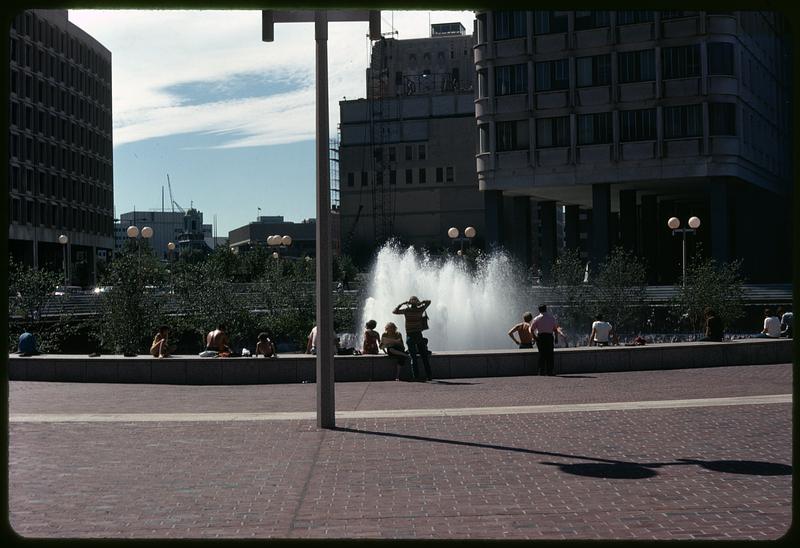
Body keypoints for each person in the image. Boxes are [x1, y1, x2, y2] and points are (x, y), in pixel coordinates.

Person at [393, 296, 433, 382]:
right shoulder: (415, 310)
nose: (414, 302)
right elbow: (394, 311)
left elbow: (429, 301)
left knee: (418, 357)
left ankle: (421, 376)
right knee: (419, 357)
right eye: (413, 300)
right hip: (414, 335)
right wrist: (418, 303)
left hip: (414, 335)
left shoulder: (413, 310)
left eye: (415, 300)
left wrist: (404, 304)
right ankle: (423, 376)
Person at [531, 304, 559, 376]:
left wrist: (534, 337)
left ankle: (541, 371)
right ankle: (550, 371)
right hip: (549, 337)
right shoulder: (552, 318)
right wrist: (556, 338)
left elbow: (531, 329)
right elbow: (555, 329)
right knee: (550, 354)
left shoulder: (536, 318)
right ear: (546, 309)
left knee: (542, 354)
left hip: (540, 337)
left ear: (539, 310)